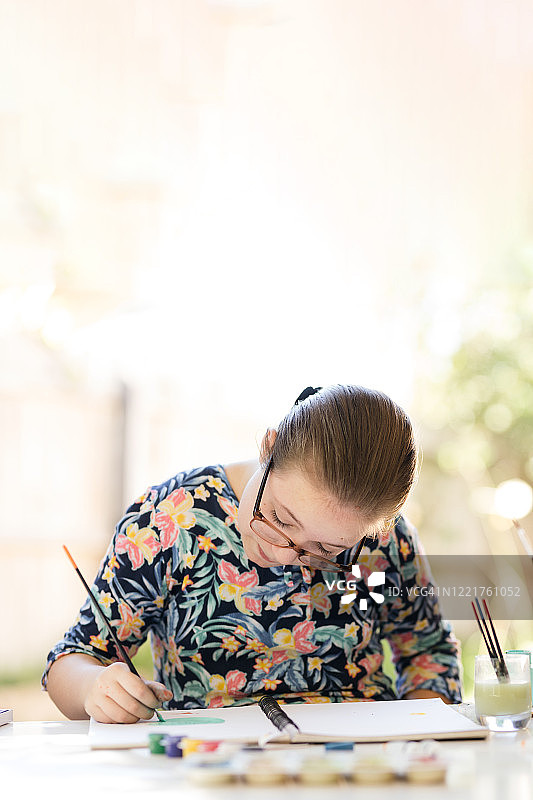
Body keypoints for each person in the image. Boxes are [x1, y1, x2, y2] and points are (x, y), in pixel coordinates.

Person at [43, 385, 462, 723]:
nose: (284, 553)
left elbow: (428, 652)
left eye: (326, 550)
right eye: (280, 516)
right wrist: (95, 687)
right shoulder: (169, 520)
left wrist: (416, 735)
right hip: (208, 767)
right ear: (269, 447)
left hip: (360, 765)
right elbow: (71, 663)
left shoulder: (382, 542)